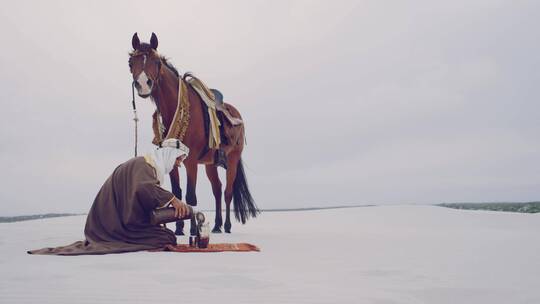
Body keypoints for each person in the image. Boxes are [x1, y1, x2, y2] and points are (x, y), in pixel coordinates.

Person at [28, 138, 191, 255]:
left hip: (116, 222)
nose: (179, 164)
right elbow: (144, 187)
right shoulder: (144, 164)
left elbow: (141, 195)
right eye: (178, 159)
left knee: (165, 235)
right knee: (165, 238)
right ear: (169, 154)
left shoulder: (148, 165)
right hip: (114, 226)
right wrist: (173, 199)